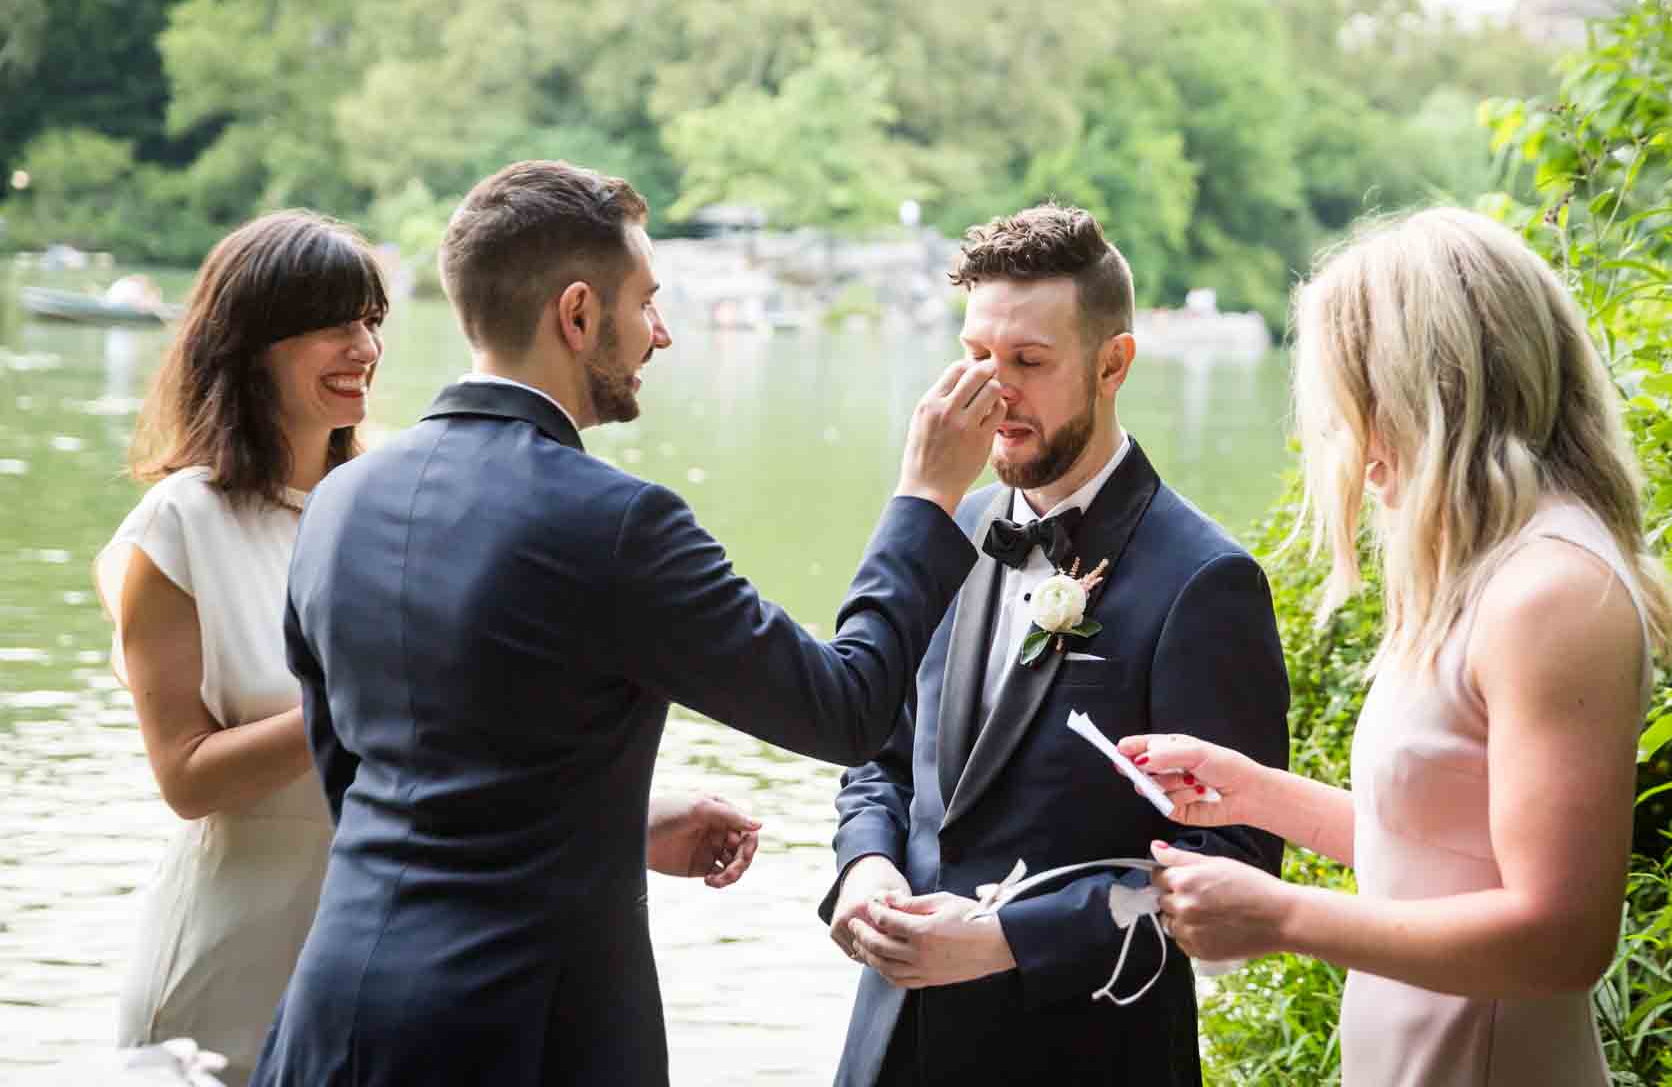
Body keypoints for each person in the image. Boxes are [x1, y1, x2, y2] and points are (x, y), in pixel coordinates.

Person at [249, 160, 1005, 1087]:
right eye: (646, 303)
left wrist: (609, 823)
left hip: (335, 1014)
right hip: (523, 1035)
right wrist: (926, 498)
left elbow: (367, 783)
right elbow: (844, 707)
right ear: (576, 315)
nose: (663, 333)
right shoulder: (616, 523)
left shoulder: (341, 500)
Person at [1125, 207, 1672, 1087]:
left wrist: (1282, 916)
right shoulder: (1485, 568)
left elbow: (1561, 939)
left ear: (1441, 389)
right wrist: (1254, 792)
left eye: (1359, 402)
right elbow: (1440, 853)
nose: (1351, 446)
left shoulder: (1554, 592)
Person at [821, 204, 1291, 1087]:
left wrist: (1007, 940)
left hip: (1083, 1053)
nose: (993, 393)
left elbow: (1236, 866)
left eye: (1029, 363)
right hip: (891, 1045)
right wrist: (866, 866)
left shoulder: (1208, 581)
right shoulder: (943, 526)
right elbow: (877, 755)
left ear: (1114, 364)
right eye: (975, 359)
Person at [94, 211, 389, 1085]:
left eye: (371, 321)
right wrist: (360, 700)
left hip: (382, 965)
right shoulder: (178, 525)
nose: (364, 347)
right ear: (253, 341)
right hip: (226, 970)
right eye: (334, 323)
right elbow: (186, 778)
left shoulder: (388, 510)